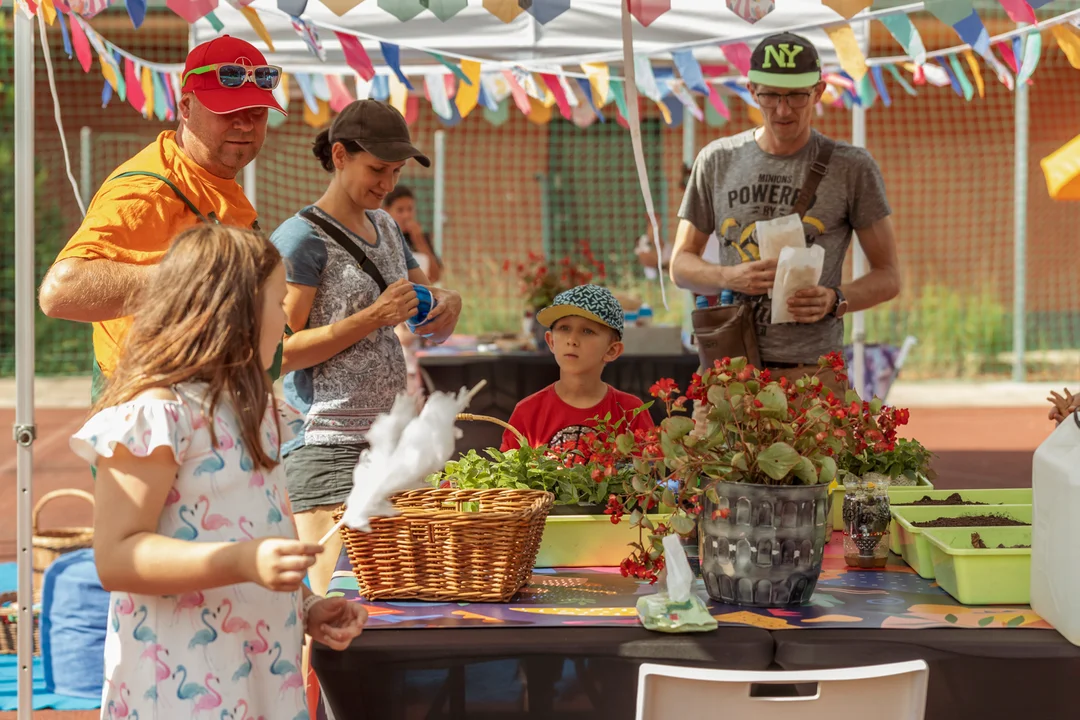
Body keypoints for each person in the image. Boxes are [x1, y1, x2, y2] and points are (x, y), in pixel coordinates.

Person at [69, 224, 366, 720]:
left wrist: (307, 604)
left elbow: (260, 528)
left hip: (263, 671)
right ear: (233, 314)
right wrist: (243, 561)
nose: (289, 324)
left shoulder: (259, 414)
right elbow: (116, 556)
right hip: (178, 683)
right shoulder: (156, 416)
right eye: (278, 304)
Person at [270, 100, 463, 597]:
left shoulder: (389, 228)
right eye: (377, 169)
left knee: (396, 603)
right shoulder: (301, 239)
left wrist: (447, 305)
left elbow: (428, 316)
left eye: (395, 171)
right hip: (326, 443)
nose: (386, 183)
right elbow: (277, 351)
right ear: (339, 155)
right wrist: (371, 318)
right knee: (330, 602)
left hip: (391, 440)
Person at [38, 35, 285, 400]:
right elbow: (60, 293)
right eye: (228, 112)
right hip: (149, 413)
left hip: (209, 402)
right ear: (186, 107)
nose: (245, 125)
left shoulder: (216, 178)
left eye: (256, 113)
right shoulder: (148, 189)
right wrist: (200, 277)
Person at [670, 32, 901, 388]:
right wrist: (730, 277)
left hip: (812, 373)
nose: (782, 109)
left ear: (819, 92)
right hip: (729, 371)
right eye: (771, 95)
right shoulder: (716, 160)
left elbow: (888, 277)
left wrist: (835, 299)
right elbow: (680, 266)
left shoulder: (852, 167)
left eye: (796, 95)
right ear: (751, 90)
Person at [500, 285, 655, 453]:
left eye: (587, 331)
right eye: (564, 328)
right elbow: (509, 476)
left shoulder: (631, 412)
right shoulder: (528, 412)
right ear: (551, 341)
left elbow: (649, 474)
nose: (572, 340)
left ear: (612, 350)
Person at [383, 186, 442, 283]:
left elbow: (435, 276)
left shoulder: (420, 237)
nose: (406, 215)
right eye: (400, 210)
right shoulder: (382, 236)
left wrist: (419, 241)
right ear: (387, 211)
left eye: (410, 209)